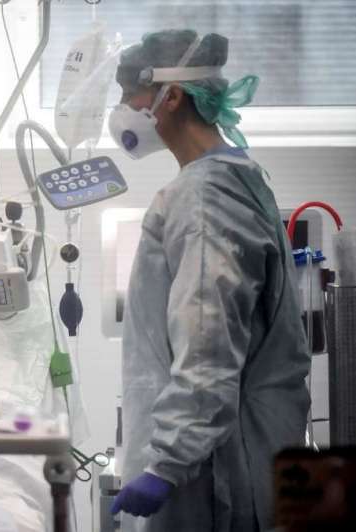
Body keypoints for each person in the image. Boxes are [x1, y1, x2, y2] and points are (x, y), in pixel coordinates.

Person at [107, 30, 310, 531]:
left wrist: (166, 463)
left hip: (212, 475)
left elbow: (209, 342)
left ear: (171, 95)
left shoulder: (204, 197)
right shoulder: (234, 174)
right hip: (225, 456)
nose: (122, 110)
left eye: (129, 94)